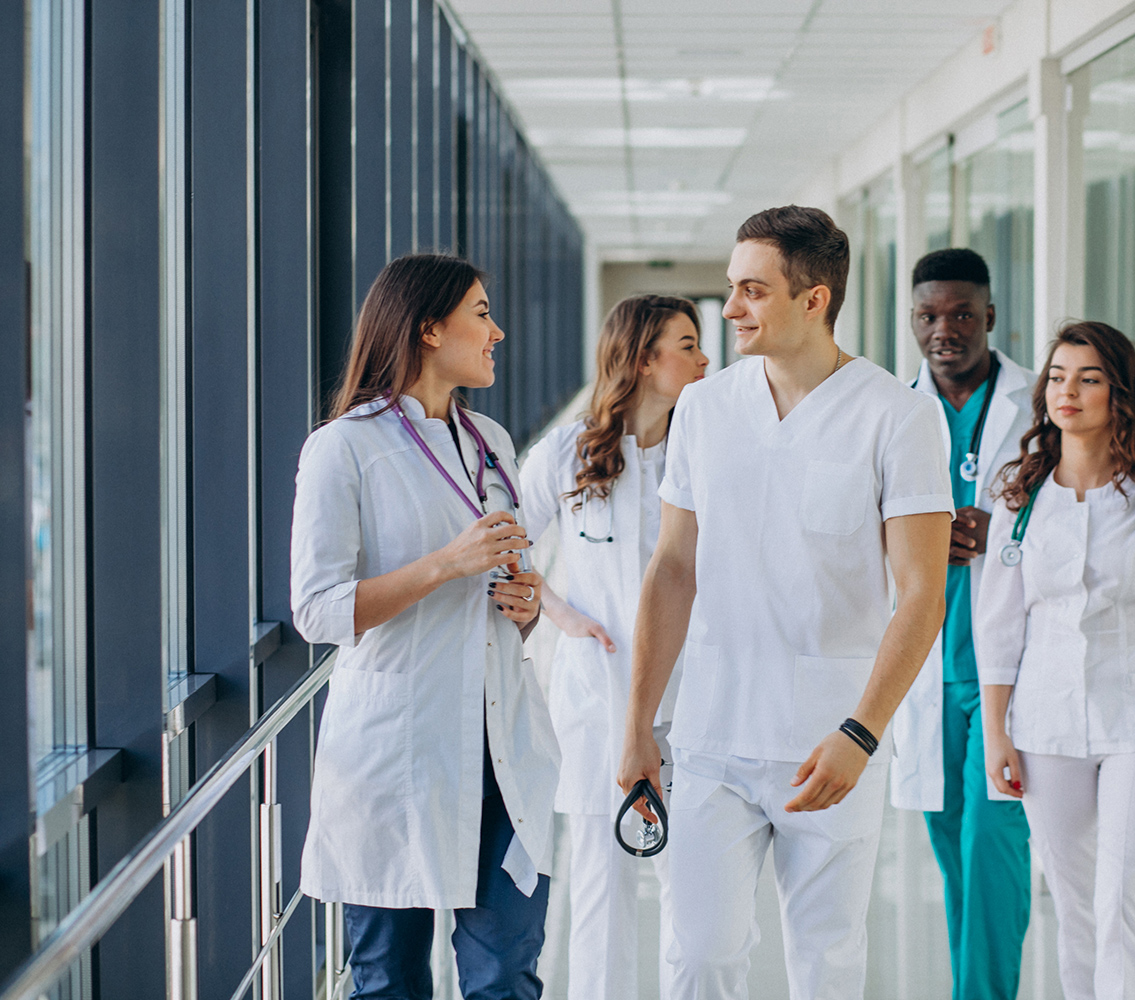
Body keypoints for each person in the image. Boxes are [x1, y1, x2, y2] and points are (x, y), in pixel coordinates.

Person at [615, 206, 951, 1000]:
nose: (728, 310)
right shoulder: (704, 409)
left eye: (751, 292)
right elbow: (672, 570)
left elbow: (923, 593)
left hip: (831, 744)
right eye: (732, 289)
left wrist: (861, 734)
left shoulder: (896, 416)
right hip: (711, 739)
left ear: (814, 299)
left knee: (827, 963)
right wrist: (636, 728)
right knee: (697, 958)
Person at [291, 254, 558, 999]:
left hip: (502, 750)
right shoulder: (343, 448)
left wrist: (527, 605)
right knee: (388, 982)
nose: (497, 330)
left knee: (506, 975)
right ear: (430, 329)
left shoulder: (493, 443)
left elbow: (506, 583)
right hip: (396, 755)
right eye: (481, 313)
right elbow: (316, 611)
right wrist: (444, 564)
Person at [976, 321, 1135, 1000]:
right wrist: (997, 731)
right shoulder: (1018, 499)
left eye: (1088, 379)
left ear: (1120, 394)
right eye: (1057, 377)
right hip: (1045, 723)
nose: (1068, 392)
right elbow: (997, 628)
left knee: (1123, 904)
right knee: (1076, 906)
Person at [519, 295, 708, 1000]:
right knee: (600, 886)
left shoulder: (708, 452)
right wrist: (560, 613)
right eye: (687, 344)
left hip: (693, 701)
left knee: (693, 897)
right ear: (642, 360)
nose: (704, 358)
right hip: (597, 701)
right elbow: (504, 541)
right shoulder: (569, 453)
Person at [888, 248, 1033, 1000]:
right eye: (929, 316)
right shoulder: (891, 406)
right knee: (954, 854)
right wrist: (912, 533)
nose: (946, 330)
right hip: (926, 666)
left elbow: (1077, 512)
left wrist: (1006, 526)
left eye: (963, 315)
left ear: (991, 318)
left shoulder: (1040, 404)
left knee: (993, 845)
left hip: (1007, 667)